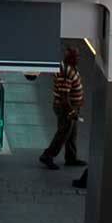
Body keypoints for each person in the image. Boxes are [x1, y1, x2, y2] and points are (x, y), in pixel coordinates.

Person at [39, 45, 87, 188]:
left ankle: (71, 157)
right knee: (63, 132)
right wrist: (71, 111)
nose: (78, 59)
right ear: (70, 57)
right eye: (76, 56)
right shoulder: (66, 72)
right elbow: (65, 96)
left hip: (71, 107)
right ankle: (48, 155)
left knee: (72, 132)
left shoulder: (68, 68)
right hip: (65, 108)